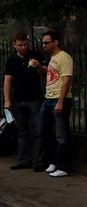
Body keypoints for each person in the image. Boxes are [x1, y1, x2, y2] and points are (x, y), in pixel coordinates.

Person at [33, 30, 74, 177]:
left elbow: (67, 80)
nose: (43, 45)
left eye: (46, 42)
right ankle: (53, 161)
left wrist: (61, 102)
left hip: (58, 98)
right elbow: (47, 74)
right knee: (44, 132)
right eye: (42, 42)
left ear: (55, 42)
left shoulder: (64, 58)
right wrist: (38, 67)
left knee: (62, 135)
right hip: (48, 98)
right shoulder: (52, 58)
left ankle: (64, 166)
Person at [4, 32, 45, 170]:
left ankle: (40, 161)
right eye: (20, 45)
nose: (23, 47)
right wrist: (7, 99)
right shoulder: (11, 60)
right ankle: (24, 160)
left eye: (25, 44)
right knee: (22, 131)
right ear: (14, 45)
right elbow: (7, 80)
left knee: (39, 130)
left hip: (34, 98)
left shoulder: (36, 56)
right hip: (18, 100)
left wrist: (38, 66)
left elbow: (44, 72)